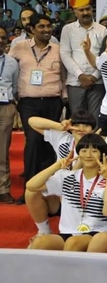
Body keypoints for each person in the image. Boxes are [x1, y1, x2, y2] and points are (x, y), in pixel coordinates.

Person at [9, 13, 67, 205]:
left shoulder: (59, 49)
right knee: (33, 141)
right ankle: (30, 189)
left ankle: (49, 190)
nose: (46, 30)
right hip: (28, 102)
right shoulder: (19, 48)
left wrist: (65, 98)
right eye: (41, 27)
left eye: (49, 26)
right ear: (31, 29)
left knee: (51, 143)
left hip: (53, 101)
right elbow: (9, 69)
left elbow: (65, 76)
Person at [26, 133, 107, 251]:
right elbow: (31, 186)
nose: (88, 155)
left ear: (103, 155)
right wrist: (57, 165)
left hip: (97, 233)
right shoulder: (66, 176)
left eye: (94, 151)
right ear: (79, 153)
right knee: (40, 243)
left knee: (73, 243)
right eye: (84, 150)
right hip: (68, 232)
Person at [0, 26, 19, 203]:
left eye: (3, 37)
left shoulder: (12, 62)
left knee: (2, 149)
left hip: (5, 107)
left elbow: (14, 86)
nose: (0, 40)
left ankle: (3, 188)